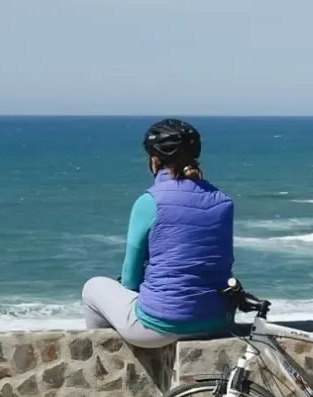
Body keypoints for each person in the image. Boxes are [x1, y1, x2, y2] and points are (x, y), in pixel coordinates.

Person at [81, 119, 235, 348]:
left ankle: (103, 360)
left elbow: (131, 276)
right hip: (217, 321)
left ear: (154, 160)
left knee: (93, 287)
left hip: (159, 327)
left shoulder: (150, 201)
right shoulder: (223, 202)